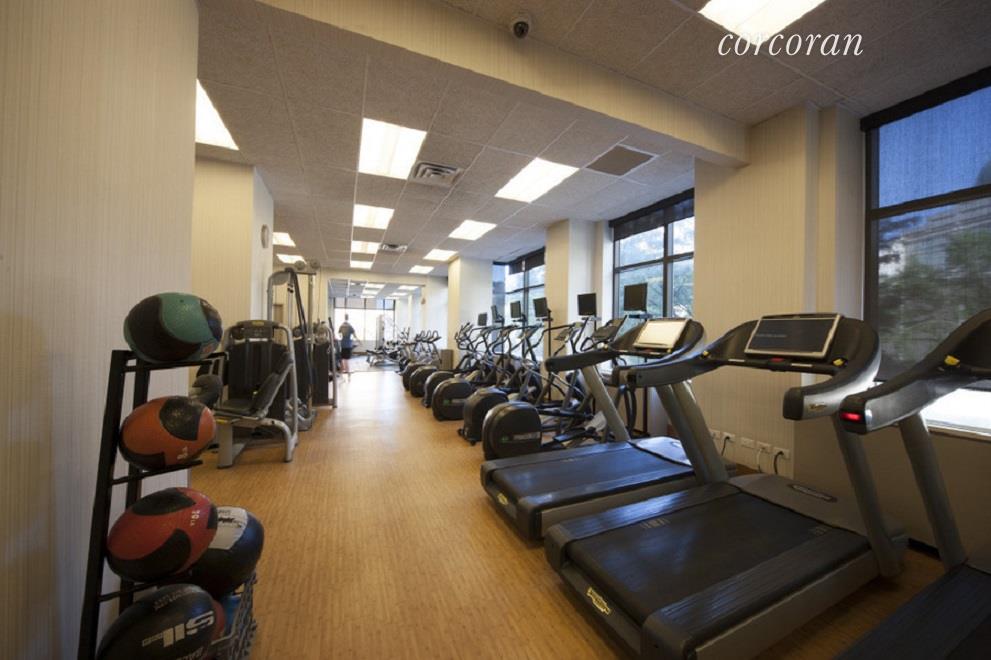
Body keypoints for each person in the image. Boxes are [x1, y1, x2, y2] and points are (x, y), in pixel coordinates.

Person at [338, 315, 359, 380]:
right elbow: (355, 336)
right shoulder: (350, 326)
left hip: (343, 344)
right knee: (346, 359)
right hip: (348, 345)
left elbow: (339, 335)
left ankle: (341, 372)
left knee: (342, 358)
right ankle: (348, 372)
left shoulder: (341, 326)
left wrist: (342, 337)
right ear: (348, 318)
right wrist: (358, 341)